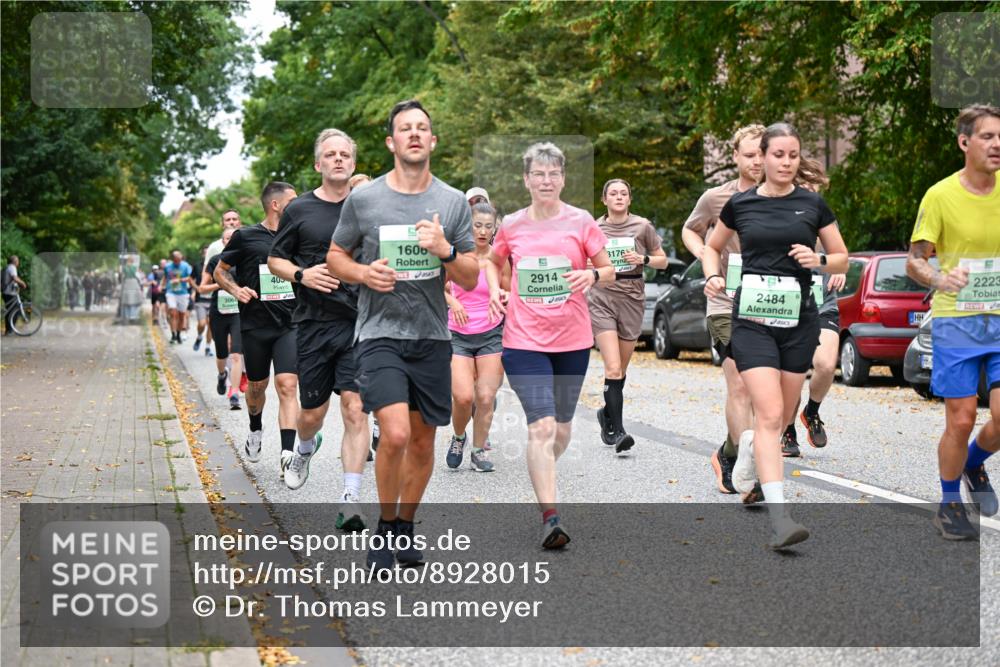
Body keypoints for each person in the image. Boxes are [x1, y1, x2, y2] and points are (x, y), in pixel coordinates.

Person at [328, 99, 477, 569]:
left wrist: (446, 249)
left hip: (431, 336)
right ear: (392, 142)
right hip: (379, 333)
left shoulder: (453, 202)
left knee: (421, 441)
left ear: (432, 140)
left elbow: (472, 276)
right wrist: (362, 274)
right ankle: (384, 527)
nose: (414, 135)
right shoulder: (365, 199)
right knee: (392, 435)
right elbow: (335, 255)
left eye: (422, 128)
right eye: (405, 129)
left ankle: (404, 529)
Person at [703, 122, 848, 550]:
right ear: (762, 157)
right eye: (778, 155)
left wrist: (819, 259)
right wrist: (712, 276)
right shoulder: (741, 204)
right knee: (768, 414)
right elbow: (713, 246)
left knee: (783, 416)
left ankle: (748, 447)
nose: (786, 162)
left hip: (799, 320)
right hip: (752, 321)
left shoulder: (813, 204)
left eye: (793, 155)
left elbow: (841, 258)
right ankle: (781, 518)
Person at [486, 141, 614, 549]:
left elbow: (610, 268)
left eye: (553, 173)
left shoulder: (581, 222)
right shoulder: (512, 224)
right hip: (523, 340)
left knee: (560, 430)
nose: (546, 180)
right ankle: (551, 516)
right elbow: (492, 260)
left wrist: (592, 277)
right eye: (538, 174)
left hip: (572, 340)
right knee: (540, 427)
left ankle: (542, 471)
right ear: (526, 180)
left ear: (562, 178)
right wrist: (494, 290)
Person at [268, 128, 371, 530]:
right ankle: (305, 448)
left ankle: (350, 499)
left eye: (345, 154)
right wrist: (301, 274)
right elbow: (276, 260)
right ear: (318, 164)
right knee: (312, 413)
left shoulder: (369, 208)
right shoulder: (300, 210)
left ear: (354, 163)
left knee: (356, 409)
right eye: (331, 154)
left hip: (358, 324)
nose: (339, 159)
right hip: (312, 324)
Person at [906, 104, 1000, 540]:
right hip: (957, 320)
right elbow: (915, 262)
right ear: (965, 143)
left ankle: (974, 464)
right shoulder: (940, 195)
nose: (997, 144)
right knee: (961, 420)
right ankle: (948, 502)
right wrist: (941, 278)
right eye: (988, 137)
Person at [681, 124, 764, 498]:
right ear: (735, 157)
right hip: (726, 301)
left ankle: (727, 453)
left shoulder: (784, 197)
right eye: (750, 154)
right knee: (741, 385)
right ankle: (748, 471)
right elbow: (690, 230)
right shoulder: (717, 198)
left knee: (767, 392)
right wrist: (706, 259)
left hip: (768, 303)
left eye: (764, 152)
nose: (758, 161)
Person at [216, 182, 300, 479]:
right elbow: (220, 271)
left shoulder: (298, 236)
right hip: (255, 325)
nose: (299, 203)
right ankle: (255, 428)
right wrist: (236, 290)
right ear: (276, 205)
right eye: (293, 200)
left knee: (288, 385)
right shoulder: (246, 236)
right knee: (256, 388)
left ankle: (288, 456)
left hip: (289, 324)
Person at [590, 178, 667, 453]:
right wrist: (589, 265)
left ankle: (606, 413)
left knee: (620, 370)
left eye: (624, 193)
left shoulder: (642, 226)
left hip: (633, 297)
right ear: (605, 199)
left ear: (629, 199)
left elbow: (663, 259)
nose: (619, 197)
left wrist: (643, 260)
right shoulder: (594, 228)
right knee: (611, 367)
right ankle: (617, 431)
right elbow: (579, 260)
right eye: (613, 193)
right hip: (602, 296)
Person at [780, 157, 846, 456]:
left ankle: (812, 411)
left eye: (815, 185)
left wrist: (840, 269)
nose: (811, 190)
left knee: (825, 364)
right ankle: (787, 429)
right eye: (806, 184)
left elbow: (840, 255)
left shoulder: (824, 216)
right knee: (792, 369)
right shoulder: (780, 215)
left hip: (822, 302)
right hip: (789, 303)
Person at [445, 201, 509, 472]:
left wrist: (505, 296)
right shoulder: (456, 257)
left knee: (485, 397)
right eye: (477, 225)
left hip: (492, 334)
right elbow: (434, 287)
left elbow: (510, 292)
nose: (482, 231)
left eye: (488, 226)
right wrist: (452, 301)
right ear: (468, 226)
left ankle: (478, 450)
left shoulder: (500, 259)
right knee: (462, 397)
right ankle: (459, 437)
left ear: (495, 229)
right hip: (457, 334)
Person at [201, 227, 244, 411]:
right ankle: (221, 375)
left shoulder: (244, 259)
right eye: (227, 238)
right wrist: (221, 285)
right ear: (223, 241)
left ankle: (234, 393)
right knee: (221, 354)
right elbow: (202, 288)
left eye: (234, 237)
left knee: (236, 355)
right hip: (218, 312)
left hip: (238, 312)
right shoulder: (214, 261)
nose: (230, 240)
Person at [162, 250, 195, 344]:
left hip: (183, 293)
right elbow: (165, 276)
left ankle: (178, 334)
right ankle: (173, 335)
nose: (178, 261)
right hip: (171, 292)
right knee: (173, 313)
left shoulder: (186, 266)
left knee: (181, 315)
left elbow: (190, 278)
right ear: (173, 259)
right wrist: (162, 285)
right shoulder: (168, 266)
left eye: (179, 259)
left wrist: (179, 280)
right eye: (176, 260)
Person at [192, 244, 214, 355]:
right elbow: (190, 279)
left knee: (210, 324)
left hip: (213, 299)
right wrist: (197, 289)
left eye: (208, 252)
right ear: (202, 254)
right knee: (202, 323)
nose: (207, 254)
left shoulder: (216, 264)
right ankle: (199, 336)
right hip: (200, 299)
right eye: (205, 252)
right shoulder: (197, 266)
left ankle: (207, 347)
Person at [3, 255, 27, 334]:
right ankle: (10, 330)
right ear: (15, 261)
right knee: (15, 311)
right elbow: (15, 278)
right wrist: (22, 283)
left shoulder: (8, 267)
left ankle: (8, 330)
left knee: (10, 311)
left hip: (7, 292)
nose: (18, 262)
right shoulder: (12, 267)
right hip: (10, 293)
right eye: (17, 261)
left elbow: (14, 278)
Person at [120, 257, 144, 323]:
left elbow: (122, 277)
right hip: (133, 284)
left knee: (127, 301)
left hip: (127, 284)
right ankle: (132, 316)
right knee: (135, 301)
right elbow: (138, 277)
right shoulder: (134, 268)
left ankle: (128, 316)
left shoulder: (124, 268)